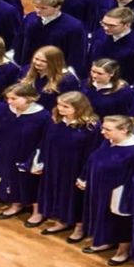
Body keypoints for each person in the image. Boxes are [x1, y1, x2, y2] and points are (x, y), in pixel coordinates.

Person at [78, 115, 134, 265]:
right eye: (103, 128)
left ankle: (123, 251)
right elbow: (93, 159)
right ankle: (106, 240)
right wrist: (85, 177)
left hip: (119, 192)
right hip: (99, 188)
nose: (102, 132)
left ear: (124, 130)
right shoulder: (107, 142)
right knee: (101, 216)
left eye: (108, 129)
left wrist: (125, 198)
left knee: (119, 221)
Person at [36, 91, 101, 236]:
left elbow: (92, 152)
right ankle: (61, 220)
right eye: (59, 105)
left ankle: (79, 226)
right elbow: (46, 142)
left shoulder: (91, 127)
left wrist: (85, 174)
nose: (60, 109)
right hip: (55, 164)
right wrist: (41, 161)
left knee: (75, 197)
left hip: (75, 167)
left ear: (79, 108)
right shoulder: (55, 120)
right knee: (58, 192)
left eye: (65, 106)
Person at [0, 83, 51, 226]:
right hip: (6, 150)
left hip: (28, 154)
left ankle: (37, 211)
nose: (9, 101)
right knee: (10, 178)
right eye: (8, 98)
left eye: (14, 98)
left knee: (30, 182)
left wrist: (38, 159)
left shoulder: (43, 116)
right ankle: (16, 204)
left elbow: (44, 139)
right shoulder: (4, 109)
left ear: (29, 98)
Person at [17, 0, 87, 73]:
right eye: (36, 7)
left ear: (57, 7)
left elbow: (76, 53)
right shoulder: (30, 18)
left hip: (54, 71)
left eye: (43, 8)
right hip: (28, 67)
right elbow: (19, 41)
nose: (38, 11)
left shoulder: (74, 26)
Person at [88, 8, 134, 88]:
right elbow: (90, 58)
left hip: (122, 86)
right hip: (95, 82)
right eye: (104, 23)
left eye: (111, 25)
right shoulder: (99, 34)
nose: (106, 28)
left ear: (127, 25)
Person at [19, 46, 81, 112]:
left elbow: (71, 104)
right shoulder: (26, 70)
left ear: (54, 62)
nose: (38, 63)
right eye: (36, 59)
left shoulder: (67, 80)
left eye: (43, 61)